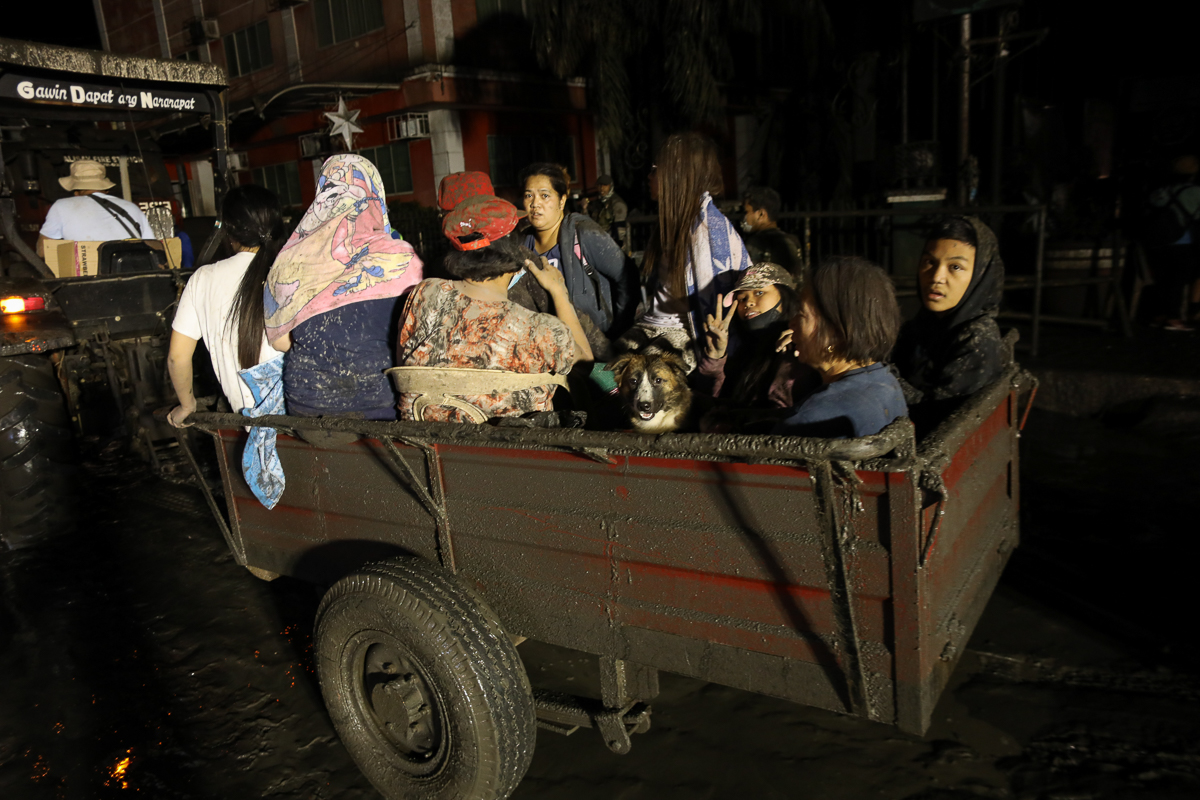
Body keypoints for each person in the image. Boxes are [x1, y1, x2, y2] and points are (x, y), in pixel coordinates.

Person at [395, 195, 593, 422]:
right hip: (512, 453)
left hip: (426, 444)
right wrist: (559, 293)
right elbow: (586, 364)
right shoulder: (541, 330)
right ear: (513, 252)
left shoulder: (425, 293)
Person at [264, 154, 423, 420]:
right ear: (375, 193)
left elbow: (281, 343)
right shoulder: (402, 257)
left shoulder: (291, 259)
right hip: (378, 408)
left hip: (307, 408)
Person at [630, 132, 751, 371]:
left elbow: (717, 313)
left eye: (655, 168)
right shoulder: (680, 221)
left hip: (681, 335)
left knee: (618, 384)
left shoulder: (706, 231)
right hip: (652, 326)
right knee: (598, 371)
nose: (649, 175)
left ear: (677, 175)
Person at [166, 185, 284, 425]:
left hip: (248, 423)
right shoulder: (291, 272)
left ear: (229, 232)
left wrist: (188, 405)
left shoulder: (203, 278)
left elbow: (177, 358)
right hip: (302, 414)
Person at [773, 256, 905, 438]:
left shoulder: (812, 418)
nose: (791, 324)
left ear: (835, 334)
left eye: (801, 315)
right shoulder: (883, 379)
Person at [891, 216, 1006, 409]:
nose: (936, 277)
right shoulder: (925, 322)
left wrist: (882, 377)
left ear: (980, 275)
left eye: (955, 267)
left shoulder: (977, 338)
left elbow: (939, 416)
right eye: (929, 262)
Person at [520, 163, 635, 335]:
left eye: (545, 195)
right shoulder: (522, 244)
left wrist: (617, 332)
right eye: (529, 195)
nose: (535, 204)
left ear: (562, 200)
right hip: (546, 347)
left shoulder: (583, 234)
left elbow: (627, 276)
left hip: (591, 346)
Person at [698, 263, 801, 407]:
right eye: (741, 299)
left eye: (759, 293)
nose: (748, 303)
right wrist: (715, 358)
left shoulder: (796, 348)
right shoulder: (746, 352)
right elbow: (720, 402)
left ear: (784, 296)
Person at [37, 159, 153, 257]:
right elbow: (152, 245)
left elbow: (43, 251)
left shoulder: (61, 206)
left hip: (88, 277)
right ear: (106, 189)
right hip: (134, 272)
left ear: (75, 191)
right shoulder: (131, 207)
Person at [1142, 155, 1200, 330]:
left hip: (1157, 242)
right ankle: (1174, 318)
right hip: (1183, 241)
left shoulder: (1160, 192)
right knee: (1178, 280)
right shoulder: (1196, 192)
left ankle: (1159, 315)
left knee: (1162, 279)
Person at [740, 187, 801, 277]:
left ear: (761, 214)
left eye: (746, 212)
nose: (744, 217)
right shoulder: (792, 241)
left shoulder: (754, 243)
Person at [584, 174, 629, 252]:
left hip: (613, 246)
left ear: (610, 186)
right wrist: (584, 208)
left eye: (605, 185)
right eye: (599, 185)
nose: (602, 188)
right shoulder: (597, 203)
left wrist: (618, 248)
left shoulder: (617, 204)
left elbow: (620, 230)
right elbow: (589, 223)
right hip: (599, 244)